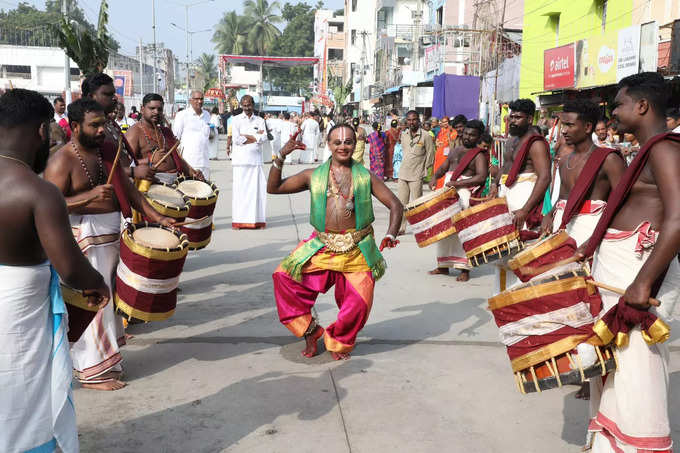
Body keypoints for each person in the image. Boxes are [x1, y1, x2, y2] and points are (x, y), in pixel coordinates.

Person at [0, 89, 111, 453]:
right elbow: (71, 269)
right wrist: (98, 285)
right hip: (20, 315)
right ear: (40, 133)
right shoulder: (38, 192)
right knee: (24, 393)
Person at [576, 72, 680, 453]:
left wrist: (642, 282)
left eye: (618, 103)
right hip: (620, 272)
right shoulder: (648, 149)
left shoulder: (665, 150)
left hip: (637, 277)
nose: (612, 111)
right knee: (615, 367)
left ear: (642, 106)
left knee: (639, 371)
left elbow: (677, 218)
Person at [44, 98, 175, 391]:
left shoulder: (108, 150)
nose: (103, 129)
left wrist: (158, 218)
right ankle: (91, 372)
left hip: (112, 235)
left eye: (103, 123)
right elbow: (49, 205)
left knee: (113, 304)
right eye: (95, 125)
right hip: (84, 241)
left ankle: (107, 361)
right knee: (94, 304)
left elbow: (130, 191)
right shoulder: (62, 160)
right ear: (75, 126)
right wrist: (87, 198)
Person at [268, 124, 402, 360]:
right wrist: (280, 156)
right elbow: (274, 188)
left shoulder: (366, 177)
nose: (343, 146)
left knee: (358, 304)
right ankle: (310, 330)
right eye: (337, 142)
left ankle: (339, 340)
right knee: (283, 277)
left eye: (348, 142)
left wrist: (391, 233)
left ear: (355, 144)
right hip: (323, 245)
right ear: (328, 145)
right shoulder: (313, 176)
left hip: (357, 249)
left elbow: (395, 204)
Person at [489, 99, 551, 292]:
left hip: (524, 199)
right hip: (506, 195)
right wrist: (493, 185)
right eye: (511, 117)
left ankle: (521, 301)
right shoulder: (511, 140)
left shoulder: (536, 143)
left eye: (518, 117)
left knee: (522, 253)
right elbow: (505, 168)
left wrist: (526, 208)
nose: (512, 121)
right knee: (503, 250)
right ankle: (503, 296)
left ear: (530, 119)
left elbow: (544, 177)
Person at [428, 120, 488, 281]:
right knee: (443, 230)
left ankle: (464, 269)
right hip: (448, 191)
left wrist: (458, 184)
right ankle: (443, 266)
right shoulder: (454, 151)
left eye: (472, 135)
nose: (467, 137)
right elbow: (444, 167)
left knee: (463, 232)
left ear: (478, 137)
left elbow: (481, 177)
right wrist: (434, 177)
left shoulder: (479, 155)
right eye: (466, 133)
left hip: (464, 194)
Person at [125, 93, 204, 185]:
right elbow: (126, 165)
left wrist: (192, 172)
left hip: (176, 180)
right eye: (152, 108)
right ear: (142, 109)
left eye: (159, 109)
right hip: (151, 183)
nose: (156, 112)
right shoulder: (134, 132)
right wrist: (150, 160)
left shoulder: (165, 132)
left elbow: (177, 158)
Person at [81, 73, 143, 181]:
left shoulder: (111, 124)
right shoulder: (85, 128)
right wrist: (132, 172)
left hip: (126, 185)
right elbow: (88, 168)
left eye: (113, 93)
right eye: (107, 94)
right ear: (91, 97)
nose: (114, 98)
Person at [230, 95, 268, 229]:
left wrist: (247, 136)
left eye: (249, 105)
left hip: (255, 161)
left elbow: (264, 137)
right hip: (240, 162)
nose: (246, 108)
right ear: (241, 105)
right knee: (240, 193)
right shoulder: (235, 120)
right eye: (244, 105)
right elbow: (236, 140)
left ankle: (257, 221)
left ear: (253, 105)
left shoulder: (260, 120)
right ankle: (239, 221)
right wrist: (255, 138)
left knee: (257, 192)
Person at [397, 110, 435, 233]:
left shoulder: (426, 136)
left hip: (416, 175)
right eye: (409, 120)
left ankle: (421, 228)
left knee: (417, 204)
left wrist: (424, 170)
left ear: (418, 120)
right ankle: (401, 228)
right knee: (402, 204)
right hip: (403, 174)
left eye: (414, 119)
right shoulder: (404, 134)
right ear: (406, 121)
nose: (411, 122)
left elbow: (430, 154)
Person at [172, 90, 212, 179]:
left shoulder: (207, 115)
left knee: (205, 190)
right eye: (196, 99)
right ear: (190, 100)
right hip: (189, 162)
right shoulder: (182, 115)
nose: (199, 101)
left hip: (204, 161)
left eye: (201, 99)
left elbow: (208, 135)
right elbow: (175, 139)